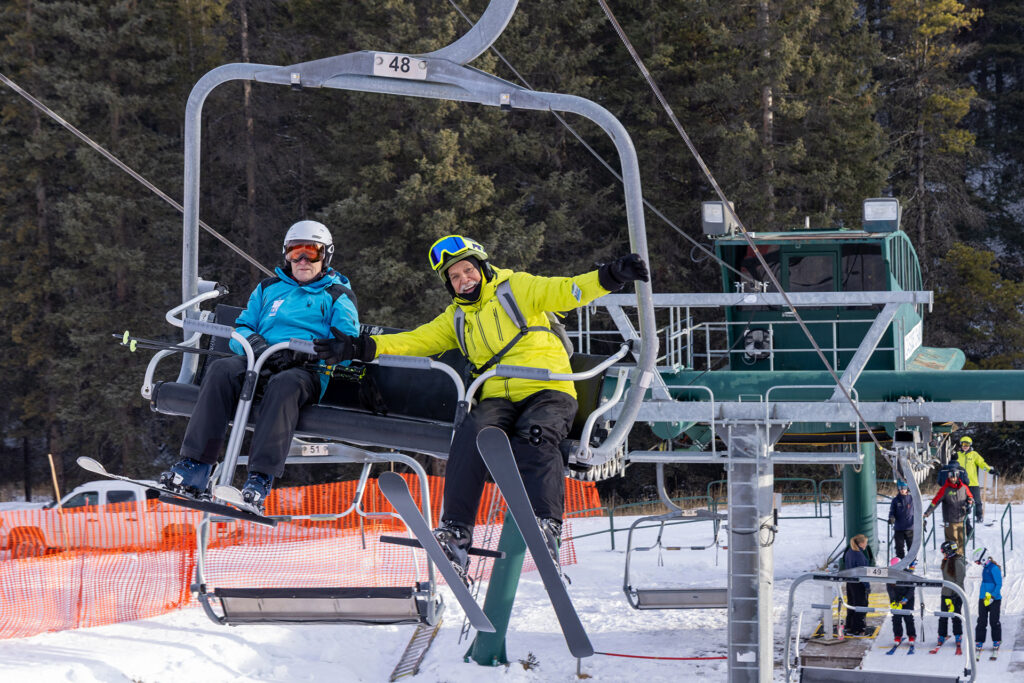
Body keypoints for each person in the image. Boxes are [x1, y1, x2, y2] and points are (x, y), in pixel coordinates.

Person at [313, 234, 648, 580]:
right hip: (498, 396)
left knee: (534, 435)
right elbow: (416, 341)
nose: (464, 280)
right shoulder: (457, 317)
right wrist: (360, 348)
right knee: (470, 433)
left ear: (483, 267)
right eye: (455, 277)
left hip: (548, 389)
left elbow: (568, 290)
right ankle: (456, 532)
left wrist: (612, 276)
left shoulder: (518, 288)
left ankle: (546, 524)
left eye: (468, 270)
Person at [161, 220, 360, 511]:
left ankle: (259, 478)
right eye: (295, 252)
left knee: (284, 384)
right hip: (260, 361)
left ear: (326, 255)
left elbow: (346, 345)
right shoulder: (269, 288)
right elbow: (242, 327)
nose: (302, 260)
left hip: (305, 372)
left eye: (312, 252)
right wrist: (254, 344)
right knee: (222, 370)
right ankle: (196, 466)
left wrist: (306, 354)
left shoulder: (337, 295)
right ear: (286, 254)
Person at [924, 465, 973, 553]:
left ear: (957, 477)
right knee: (952, 542)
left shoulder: (964, 488)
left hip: (962, 519)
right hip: (950, 521)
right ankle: (952, 558)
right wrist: (927, 513)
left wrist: (969, 504)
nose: (952, 479)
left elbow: (970, 498)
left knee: (961, 541)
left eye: (954, 477)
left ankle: (960, 558)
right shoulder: (945, 489)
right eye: (951, 477)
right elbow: (935, 502)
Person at [957, 436, 996, 524]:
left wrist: (989, 470)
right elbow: (952, 465)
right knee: (961, 501)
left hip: (973, 483)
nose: (965, 446)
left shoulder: (974, 454)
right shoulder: (957, 455)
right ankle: (964, 518)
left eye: (967, 445)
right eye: (963, 444)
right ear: (961, 445)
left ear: (970, 445)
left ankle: (979, 516)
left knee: (977, 501)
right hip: (961, 483)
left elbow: (981, 464)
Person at [936, 540, 967, 649]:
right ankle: (942, 635)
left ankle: (958, 635)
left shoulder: (958, 562)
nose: (943, 554)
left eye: (944, 552)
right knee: (943, 615)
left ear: (949, 551)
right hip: (946, 593)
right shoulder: (946, 561)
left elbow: (960, 580)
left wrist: (954, 594)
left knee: (955, 615)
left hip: (955, 595)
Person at [974, 550, 1002, 656]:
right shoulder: (985, 568)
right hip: (984, 598)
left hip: (994, 599)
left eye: (978, 562)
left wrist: (993, 596)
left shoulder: (994, 568)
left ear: (983, 558)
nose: (978, 564)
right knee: (981, 620)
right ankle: (979, 641)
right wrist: (983, 597)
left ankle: (996, 640)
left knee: (994, 621)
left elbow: (999, 584)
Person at [843, 533, 870, 636]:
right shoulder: (859, 555)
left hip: (850, 582)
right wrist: (867, 586)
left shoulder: (849, 552)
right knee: (861, 605)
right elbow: (863, 572)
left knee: (851, 604)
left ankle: (849, 626)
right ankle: (858, 629)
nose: (866, 545)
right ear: (861, 543)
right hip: (859, 583)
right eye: (866, 543)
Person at [887, 557, 918, 647]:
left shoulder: (907, 574)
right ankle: (897, 636)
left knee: (908, 618)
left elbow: (911, 588)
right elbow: (889, 589)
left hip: (908, 599)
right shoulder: (890, 575)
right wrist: (894, 600)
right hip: (896, 599)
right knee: (896, 618)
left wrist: (906, 599)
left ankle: (911, 635)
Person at [888, 480, 914, 559]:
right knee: (899, 548)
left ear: (907, 488)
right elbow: (892, 512)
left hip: (910, 527)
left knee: (911, 548)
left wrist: (921, 520)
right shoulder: (895, 500)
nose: (902, 490)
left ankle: (912, 563)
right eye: (900, 488)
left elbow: (918, 512)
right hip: (899, 528)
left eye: (904, 488)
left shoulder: (912, 499)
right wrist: (891, 517)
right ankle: (900, 562)